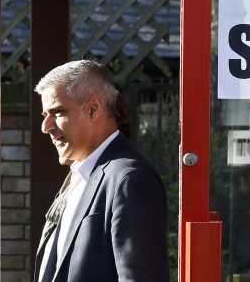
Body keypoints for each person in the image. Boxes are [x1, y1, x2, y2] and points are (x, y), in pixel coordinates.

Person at [32, 60, 169, 281]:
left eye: (57, 112)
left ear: (94, 109)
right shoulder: (81, 174)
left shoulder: (129, 178)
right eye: (44, 115)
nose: (45, 126)